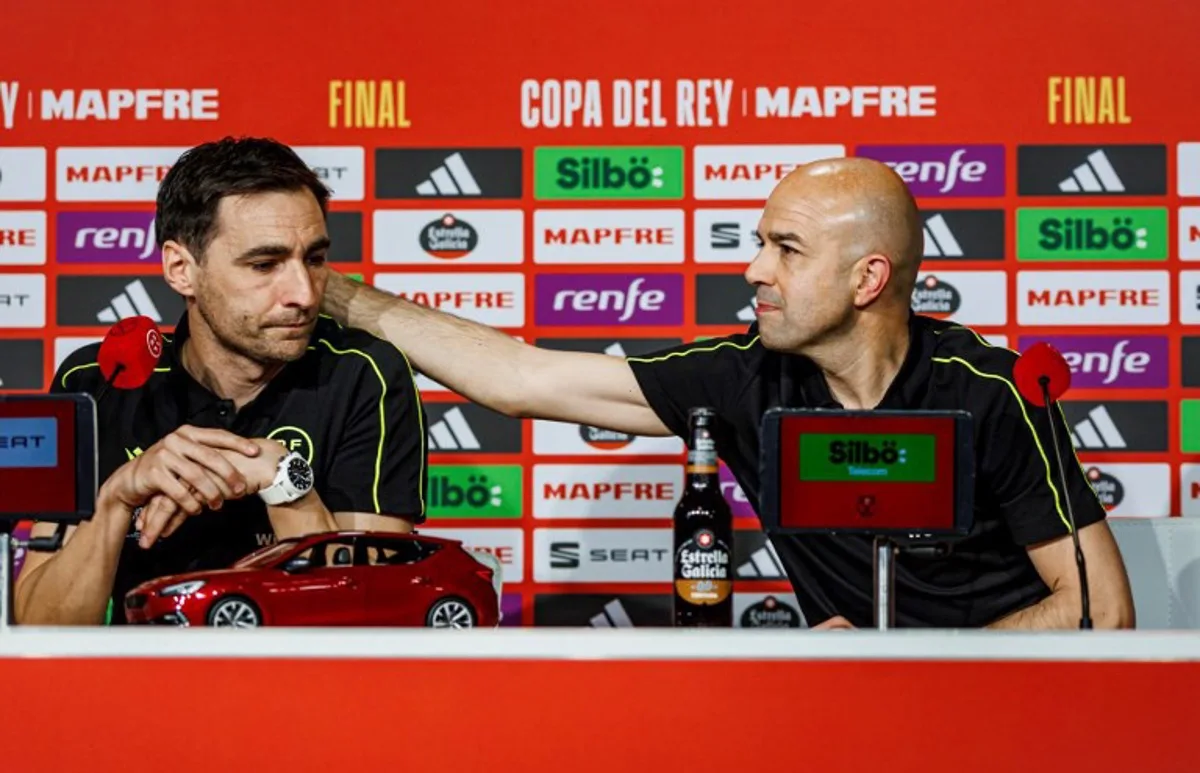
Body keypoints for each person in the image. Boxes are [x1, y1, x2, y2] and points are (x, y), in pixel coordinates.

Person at [320, 156, 1135, 630]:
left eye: (787, 249)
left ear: (867, 279)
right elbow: (521, 379)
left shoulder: (991, 391)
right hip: (851, 710)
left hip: (1008, 702)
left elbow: (1098, 609)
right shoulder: (746, 375)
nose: (753, 269)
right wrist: (330, 291)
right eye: (758, 243)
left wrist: (910, 657)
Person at [16, 137, 428, 626]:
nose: (303, 293)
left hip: (297, 672)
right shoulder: (98, 381)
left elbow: (371, 618)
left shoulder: (365, 375)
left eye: (314, 259)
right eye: (264, 265)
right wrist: (115, 502)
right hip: (139, 672)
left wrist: (286, 484)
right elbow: (40, 627)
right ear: (181, 270)